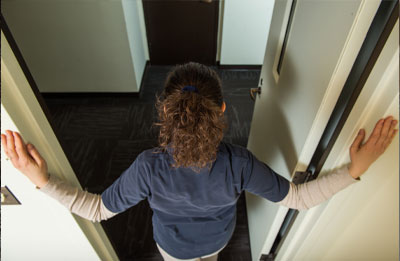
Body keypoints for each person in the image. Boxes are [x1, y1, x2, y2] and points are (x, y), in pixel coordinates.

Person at [1, 62, 398, 261]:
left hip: (169, 247)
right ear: (224, 109)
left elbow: (97, 210)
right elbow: (298, 199)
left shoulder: (147, 167)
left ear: (165, 113)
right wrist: (355, 170)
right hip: (218, 242)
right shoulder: (239, 163)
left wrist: (42, 180)